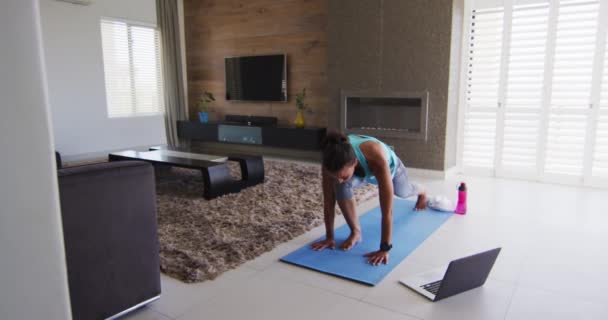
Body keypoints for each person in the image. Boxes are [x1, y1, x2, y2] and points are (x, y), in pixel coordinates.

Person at [311, 132, 427, 266]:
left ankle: (422, 190)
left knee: (403, 192)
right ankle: (355, 232)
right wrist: (329, 238)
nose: (338, 180)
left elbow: (387, 211)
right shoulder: (330, 161)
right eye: (335, 176)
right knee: (340, 186)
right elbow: (329, 202)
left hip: (391, 168)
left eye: (343, 176)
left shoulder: (376, 157)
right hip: (359, 171)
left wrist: (384, 249)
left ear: (354, 162)